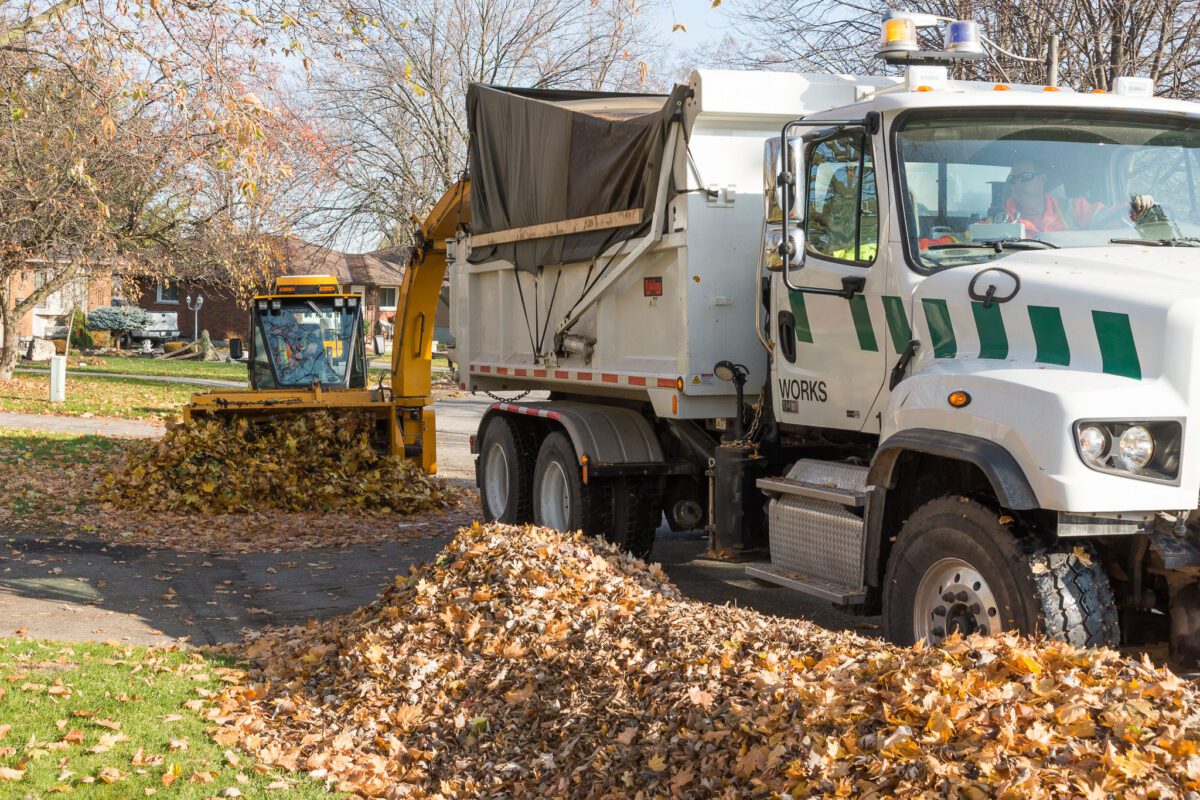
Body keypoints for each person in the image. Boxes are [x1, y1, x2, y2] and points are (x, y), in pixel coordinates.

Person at [996, 158, 1104, 235]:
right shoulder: (1000, 221)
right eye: (1012, 179)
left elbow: (1112, 216)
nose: (1016, 184)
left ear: (1042, 179)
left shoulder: (1074, 208)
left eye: (1025, 177)